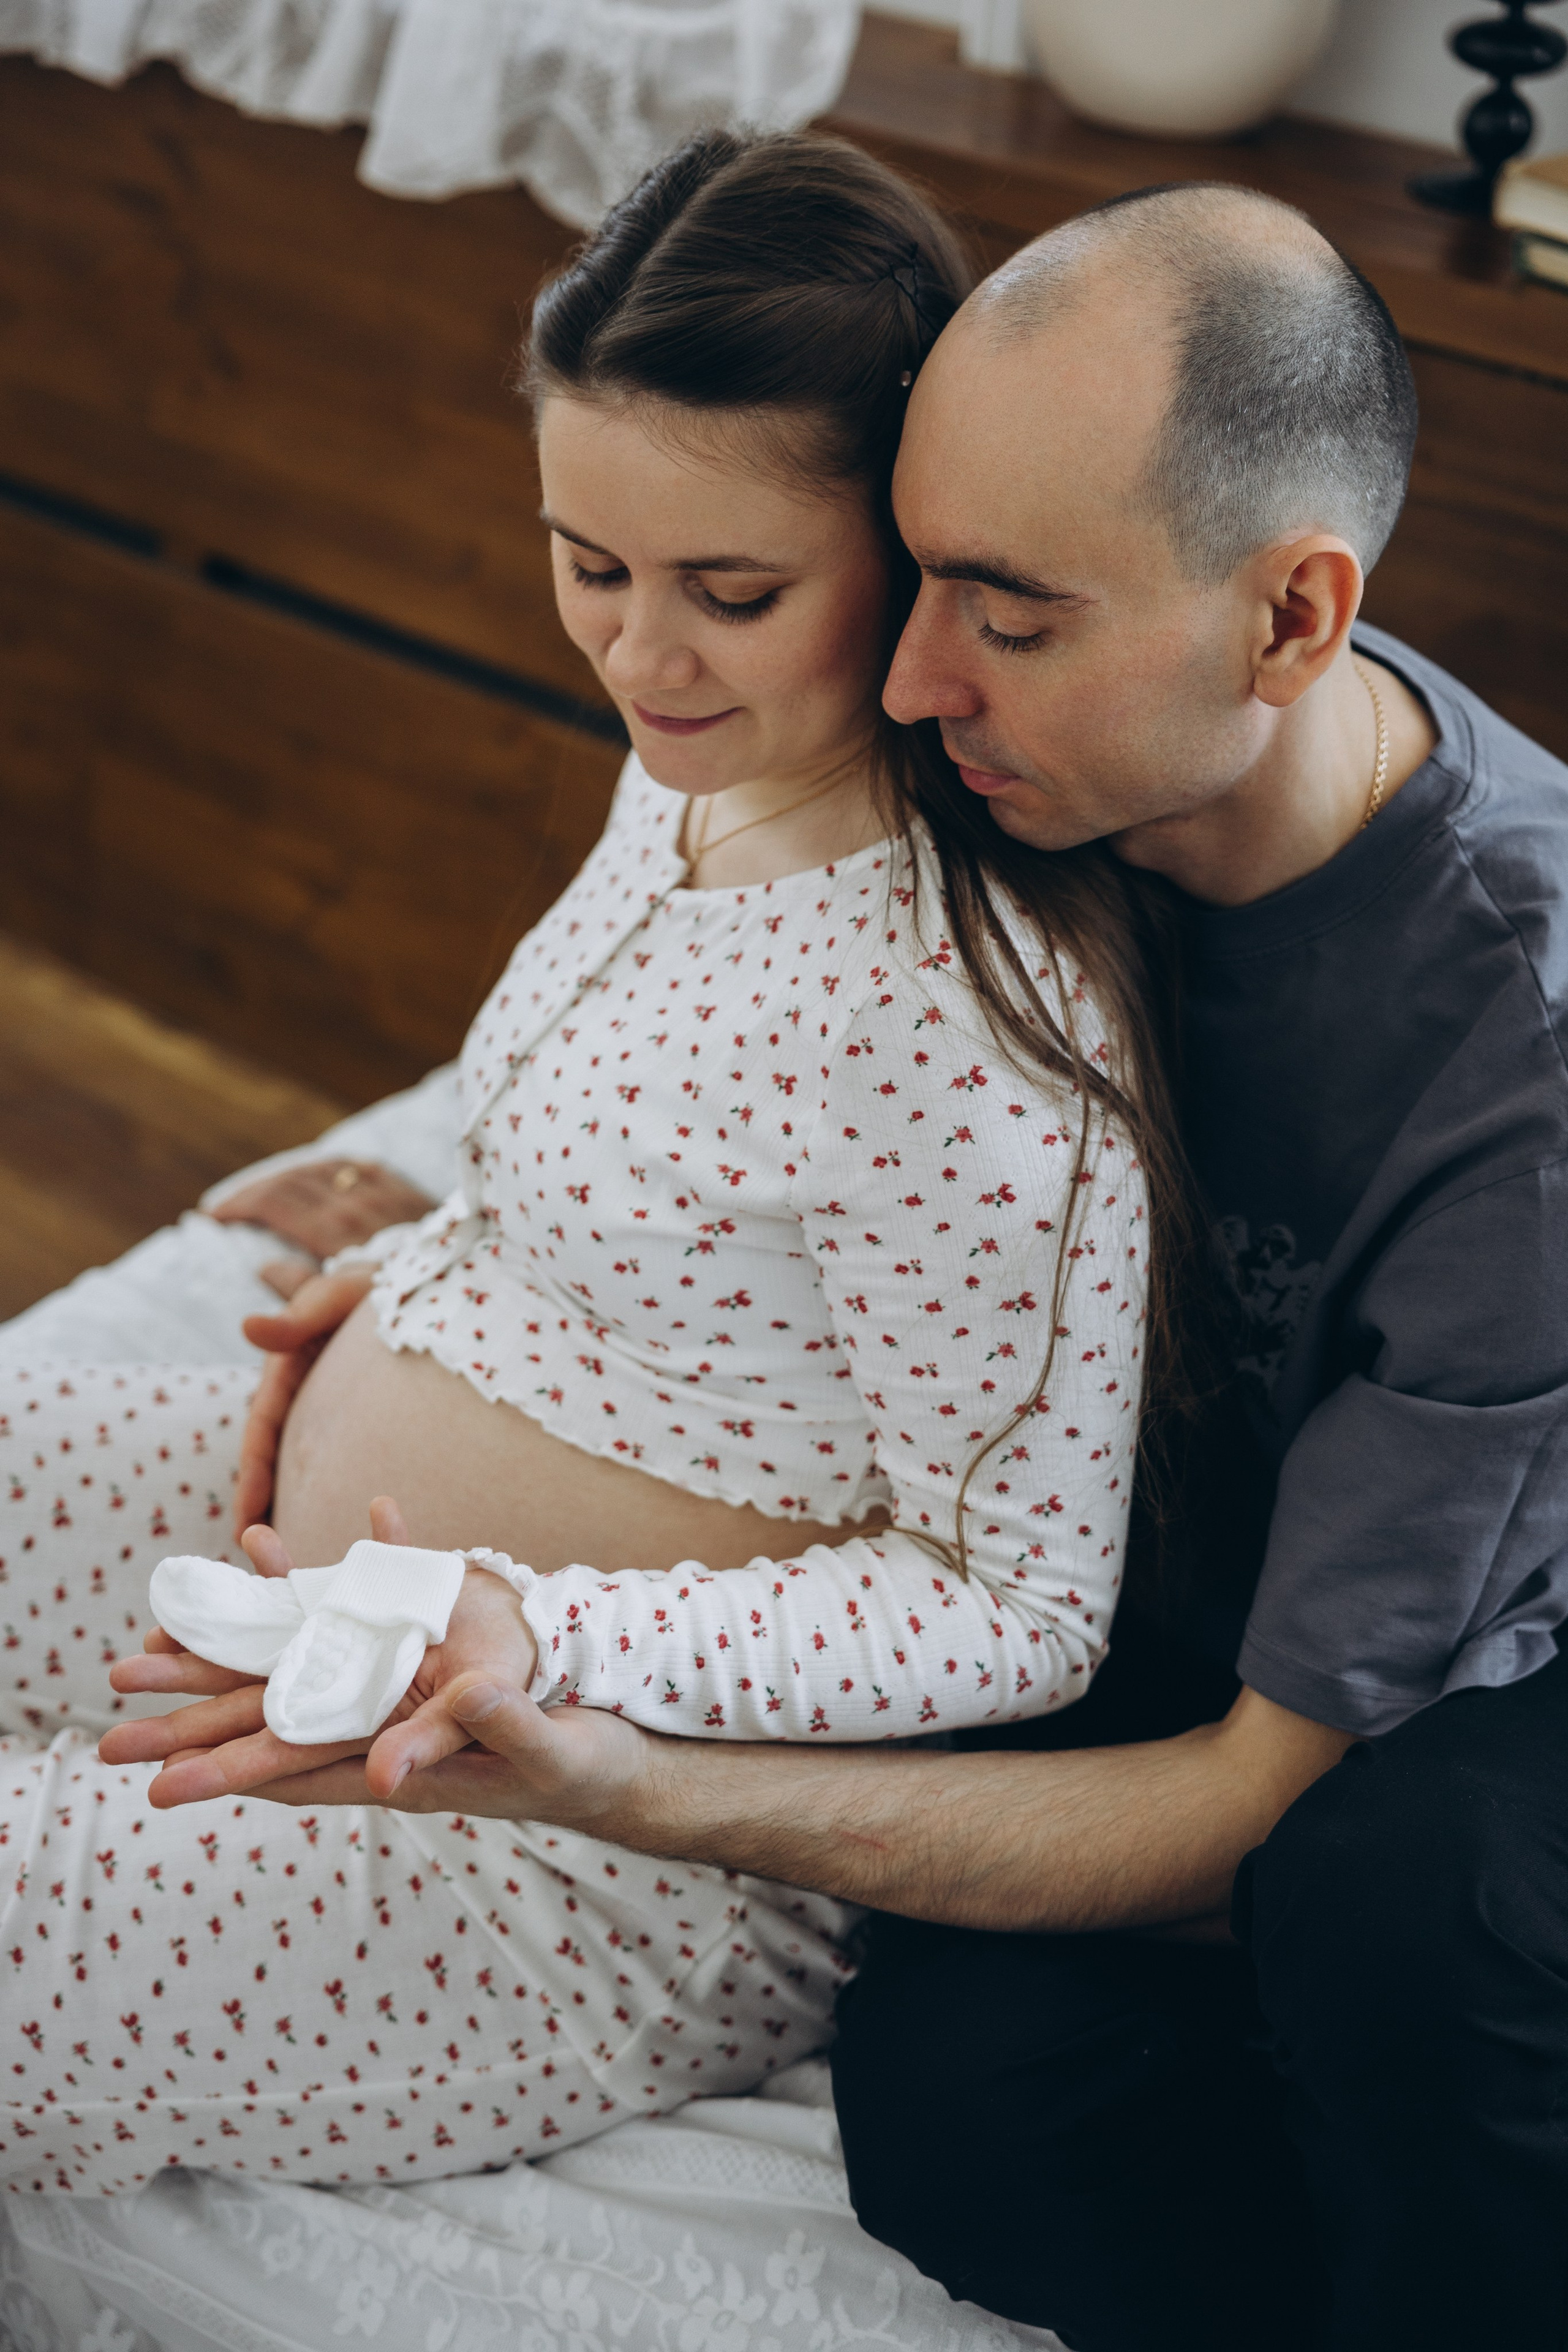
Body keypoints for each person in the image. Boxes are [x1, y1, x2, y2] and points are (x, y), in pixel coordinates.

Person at [154, 183, 1568, 2352]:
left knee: (1395, 1926)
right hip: (1088, 1630)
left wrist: (635, 1768)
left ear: (1290, 622)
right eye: (914, 579)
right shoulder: (1026, 775)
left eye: (1003, 614)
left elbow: (1241, 1805)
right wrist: (486, 1249)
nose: (903, 679)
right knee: (963, 2122)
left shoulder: (1516, 1071)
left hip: (1356, 1742)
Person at [0, 132, 1190, 2198]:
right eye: (589, 565)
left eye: (732, 593)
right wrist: (423, 1271)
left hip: (570, 1839)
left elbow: (1016, 1605)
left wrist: (537, 1630)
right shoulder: (699, 785)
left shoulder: (966, 1036)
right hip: (327, 1580)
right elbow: (672, 1229)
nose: (640, 660)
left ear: (916, 556)